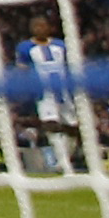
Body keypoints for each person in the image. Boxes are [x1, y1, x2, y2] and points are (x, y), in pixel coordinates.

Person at [15, 13, 75, 173]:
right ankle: (65, 165)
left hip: (64, 91)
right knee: (51, 125)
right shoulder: (25, 47)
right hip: (43, 93)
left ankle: (63, 161)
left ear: (49, 27)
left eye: (42, 25)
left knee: (72, 128)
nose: (39, 29)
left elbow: (70, 65)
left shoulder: (61, 45)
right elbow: (22, 68)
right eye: (36, 26)